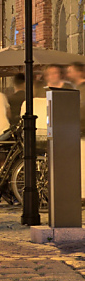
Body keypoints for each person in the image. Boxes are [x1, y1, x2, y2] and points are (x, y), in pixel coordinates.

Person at [66, 62, 85, 199]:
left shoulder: (82, 89)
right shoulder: (76, 88)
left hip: (82, 131)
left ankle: (83, 194)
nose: (68, 74)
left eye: (70, 71)